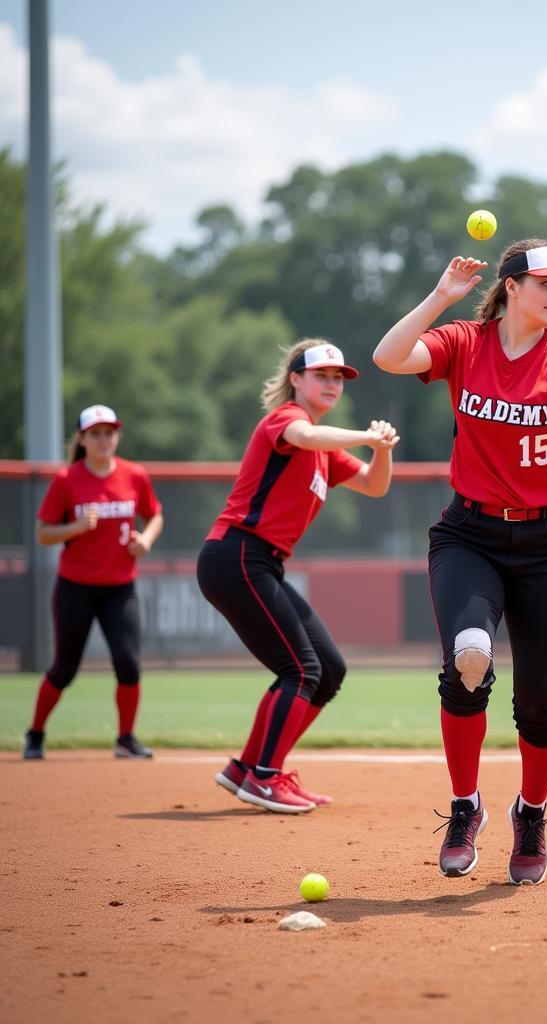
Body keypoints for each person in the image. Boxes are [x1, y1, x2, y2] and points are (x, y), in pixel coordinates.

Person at [374, 239, 547, 886]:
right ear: (511, 286)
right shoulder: (466, 341)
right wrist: (441, 298)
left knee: (542, 703)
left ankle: (532, 813)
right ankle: (466, 807)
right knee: (467, 660)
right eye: (544, 282)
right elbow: (388, 358)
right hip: (471, 536)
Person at [197, 340, 399, 814]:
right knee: (300, 669)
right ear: (296, 380)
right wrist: (364, 436)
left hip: (260, 562)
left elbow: (374, 485)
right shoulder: (285, 421)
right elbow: (306, 438)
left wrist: (382, 448)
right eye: (321, 375)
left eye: (338, 378)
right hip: (236, 555)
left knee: (328, 669)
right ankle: (264, 777)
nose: (332, 383)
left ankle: (247, 768)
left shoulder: (326, 446)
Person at [24, 405, 164, 760]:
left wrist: (145, 540)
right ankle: (35, 734)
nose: (104, 440)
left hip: (120, 587)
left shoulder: (134, 474)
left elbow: (155, 515)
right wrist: (74, 527)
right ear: (82, 439)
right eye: (96, 433)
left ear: (117, 436)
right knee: (65, 668)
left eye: (110, 432)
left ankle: (125, 738)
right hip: (77, 587)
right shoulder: (66, 480)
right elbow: (42, 534)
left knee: (129, 663)